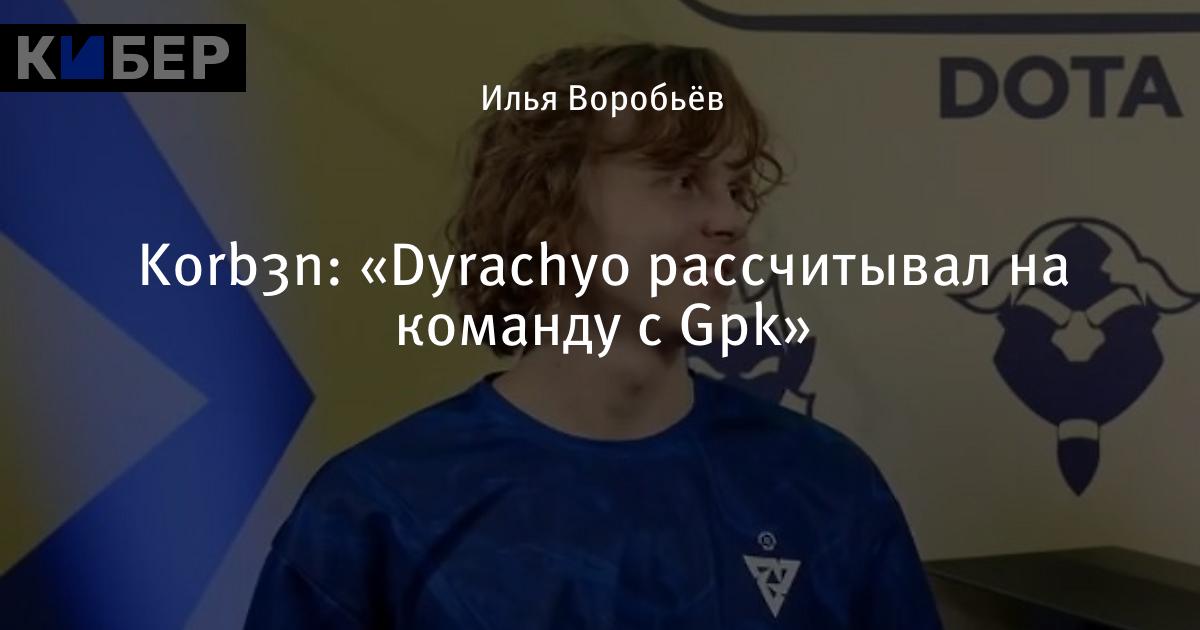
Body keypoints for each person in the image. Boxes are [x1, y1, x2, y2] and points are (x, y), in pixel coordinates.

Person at [245, 42, 942, 629]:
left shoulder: (826, 487)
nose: (730, 220)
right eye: (681, 180)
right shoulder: (377, 509)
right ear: (547, 212)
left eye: (736, 189)